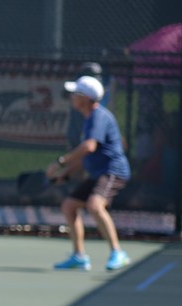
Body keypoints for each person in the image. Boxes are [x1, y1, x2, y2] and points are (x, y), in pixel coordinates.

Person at [46, 75, 132, 271]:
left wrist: (60, 162)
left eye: (75, 94)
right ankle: (79, 256)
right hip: (98, 173)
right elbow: (87, 157)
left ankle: (118, 253)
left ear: (85, 98)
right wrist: (66, 174)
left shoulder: (98, 116)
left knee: (95, 205)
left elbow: (89, 147)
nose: (71, 97)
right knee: (69, 205)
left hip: (113, 172)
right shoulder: (89, 119)